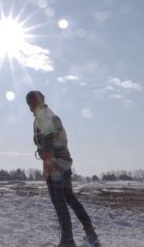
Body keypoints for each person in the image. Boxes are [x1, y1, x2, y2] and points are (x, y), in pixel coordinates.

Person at [26, 90, 100, 247]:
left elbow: (47, 138)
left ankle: (67, 240)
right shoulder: (50, 114)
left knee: (59, 201)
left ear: (40, 101)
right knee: (69, 198)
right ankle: (91, 234)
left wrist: (48, 164)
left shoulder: (42, 115)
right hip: (64, 161)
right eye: (29, 102)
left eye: (33, 101)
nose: (31, 105)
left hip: (55, 162)